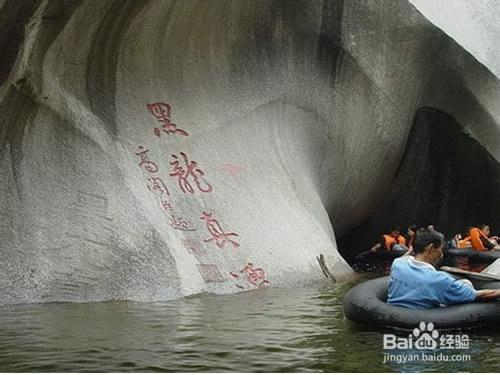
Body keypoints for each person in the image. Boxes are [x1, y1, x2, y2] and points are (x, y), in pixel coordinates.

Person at [387, 229, 500, 309]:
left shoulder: (398, 263)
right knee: (466, 283)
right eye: (440, 249)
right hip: (425, 320)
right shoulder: (438, 280)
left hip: (392, 316)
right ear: (431, 248)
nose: (441, 255)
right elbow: (476, 295)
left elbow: (407, 257)